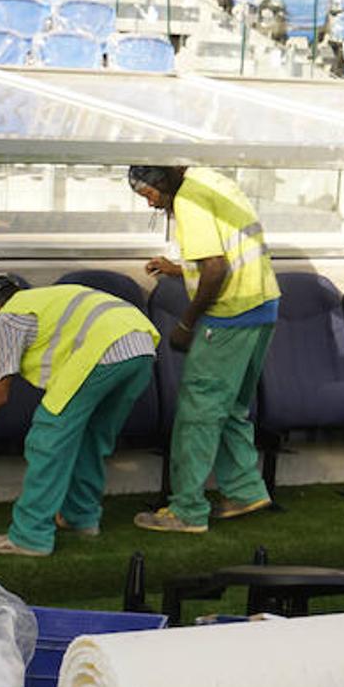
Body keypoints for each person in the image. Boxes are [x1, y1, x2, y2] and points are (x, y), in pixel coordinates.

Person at [0, 271, 159, 556]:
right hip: (141, 347)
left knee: (47, 440)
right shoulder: (44, 299)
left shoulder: (8, 317)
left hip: (103, 351)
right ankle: (81, 517)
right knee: (92, 438)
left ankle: (30, 536)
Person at [127, 165, 280, 533]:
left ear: (163, 181)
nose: (151, 205)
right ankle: (244, 490)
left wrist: (186, 323)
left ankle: (187, 510)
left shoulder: (189, 200)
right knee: (230, 408)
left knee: (197, 411)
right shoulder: (213, 180)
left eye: (149, 195)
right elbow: (228, 252)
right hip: (262, 307)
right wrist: (180, 270)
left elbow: (215, 269)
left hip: (229, 314)